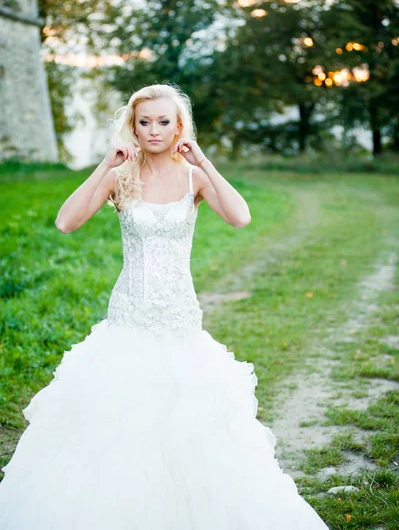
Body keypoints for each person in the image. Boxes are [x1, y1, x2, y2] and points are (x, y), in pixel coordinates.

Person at [0, 83, 330, 529]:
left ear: (178, 127)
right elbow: (65, 223)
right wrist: (105, 164)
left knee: (189, 424)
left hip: (179, 320)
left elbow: (240, 216)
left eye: (163, 121)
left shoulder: (193, 177)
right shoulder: (121, 176)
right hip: (128, 320)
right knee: (118, 422)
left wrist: (205, 163)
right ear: (132, 128)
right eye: (144, 122)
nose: (153, 130)